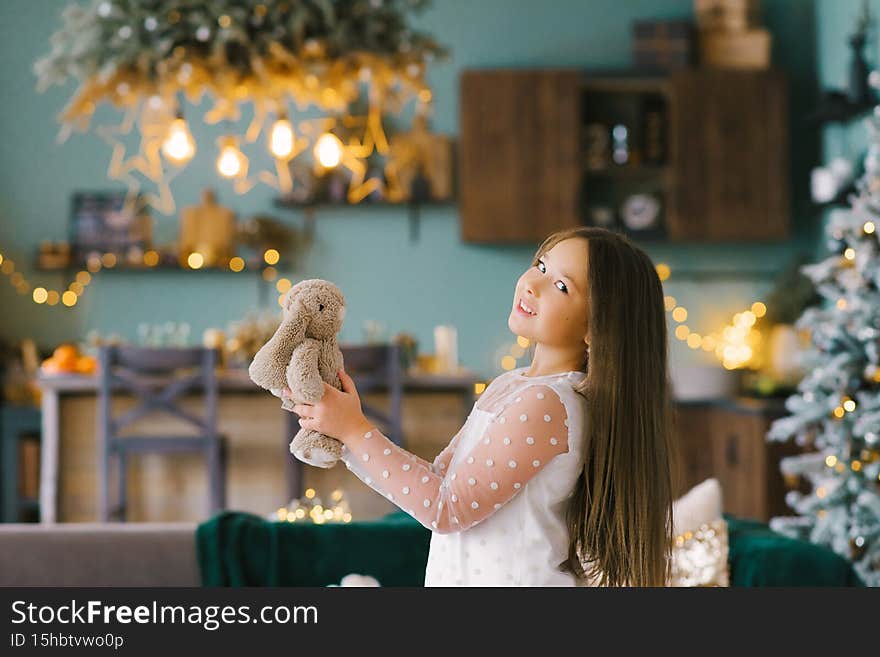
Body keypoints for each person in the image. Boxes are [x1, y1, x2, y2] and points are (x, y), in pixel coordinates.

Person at [284, 227, 677, 586]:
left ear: (597, 327)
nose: (532, 284)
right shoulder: (513, 384)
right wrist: (343, 432)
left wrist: (355, 430)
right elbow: (440, 480)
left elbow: (446, 508)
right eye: (540, 265)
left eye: (560, 285)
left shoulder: (548, 404)